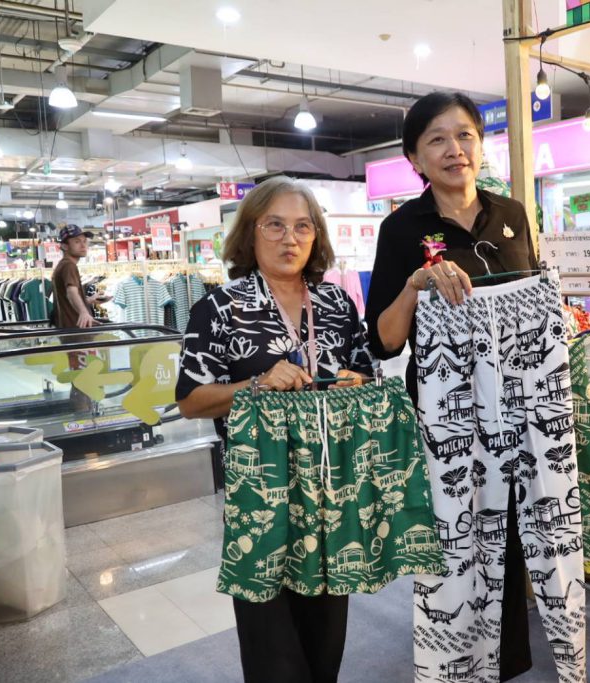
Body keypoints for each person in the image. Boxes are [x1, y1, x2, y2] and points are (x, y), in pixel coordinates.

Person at [364, 91, 540, 681]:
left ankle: (507, 661)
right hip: (446, 411)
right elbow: (384, 341)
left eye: (464, 135)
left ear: (480, 145)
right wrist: (414, 287)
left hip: (515, 402)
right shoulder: (401, 228)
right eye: (436, 139)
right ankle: (454, 658)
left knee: (510, 532)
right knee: (454, 534)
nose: (454, 149)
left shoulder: (511, 213)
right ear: (415, 158)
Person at [176, 176, 373, 683]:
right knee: (272, 648)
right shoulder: (219, 309)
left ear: (316, 236)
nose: (290, 238)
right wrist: (257, 383)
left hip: (331, 493)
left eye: (303, 227)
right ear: (250, 233)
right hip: (260, 498)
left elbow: (365, 375)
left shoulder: (337, 304)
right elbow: (191, 400)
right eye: (275, 225)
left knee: (325, 642)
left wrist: (355, 382)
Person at [51, 225, 100, 328]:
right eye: (77, 242)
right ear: (65, 246)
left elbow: (66, 299)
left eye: (84, 241)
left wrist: (89, 300)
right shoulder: (69, 266)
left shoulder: (63, 265)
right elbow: (71, 292)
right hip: (76, 328)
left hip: (69, 327)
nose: (83, 246)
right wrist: (84, 312)